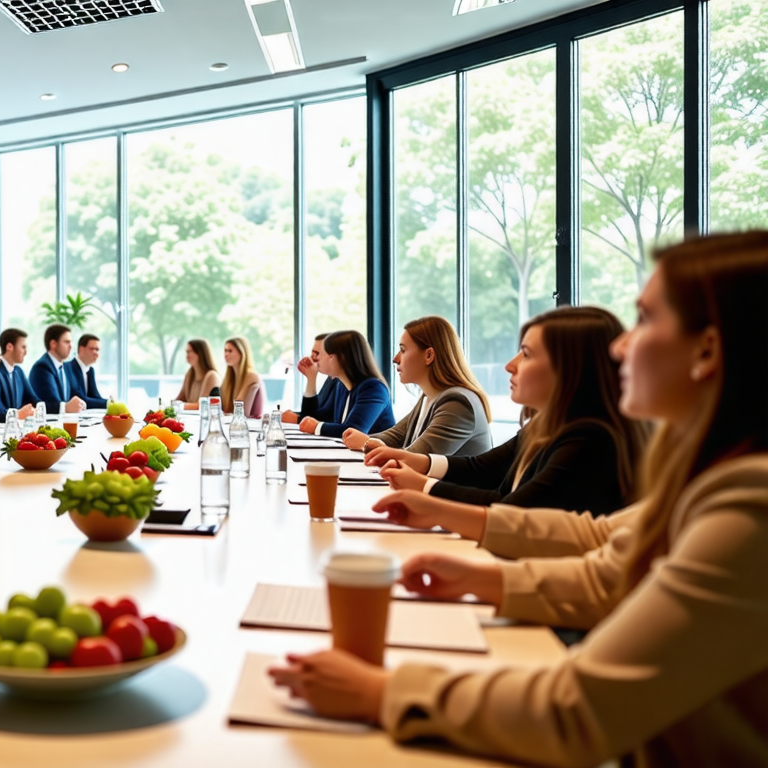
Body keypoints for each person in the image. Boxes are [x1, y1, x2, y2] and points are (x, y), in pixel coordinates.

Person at [271, 232, 768, 768]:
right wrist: (483, 576)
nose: (621, 346)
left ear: (708, 350)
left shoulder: (750, 504)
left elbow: (575, 711)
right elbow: (605, 552)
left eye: (645, 320)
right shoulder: (714, 475)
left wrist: (381, 693)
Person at [368, 307, 647, 515]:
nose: (510, 365)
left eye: (526, 353)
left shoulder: (590, 438)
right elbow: (482, 469)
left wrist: (424, 487)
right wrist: (422, 465)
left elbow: (510, 510)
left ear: (570, 369)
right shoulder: (543, 427)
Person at [341, 317, 493, 457]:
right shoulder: (429, 396)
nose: (395, 359)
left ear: (428, 355)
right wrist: (360, 440)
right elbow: (395, 436)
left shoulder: (457, 403)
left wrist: (366, 443)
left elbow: (417, 457)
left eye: (403, 350)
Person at [297, 330, 395, 437]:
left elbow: (354, 430)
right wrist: (311, 379)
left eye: (324, 353)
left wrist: (316, 427)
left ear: (341, 357)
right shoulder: (341, 386)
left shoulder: (373, 388)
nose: (316, 358)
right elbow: (316, 418)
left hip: (372, 453)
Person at [29, 323, 86, 414]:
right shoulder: (42, 367)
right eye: (66, 342)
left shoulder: (66, 367)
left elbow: (77, 395)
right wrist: (66, 407)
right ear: (53, 344)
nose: (71, 346)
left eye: (71, 342)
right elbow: (50, 403)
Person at [282, 333, 338, 423]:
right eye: (312, 353)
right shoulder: (331, 379)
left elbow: (329, 420)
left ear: (332, 356)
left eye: (316, 353)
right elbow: (312, 415)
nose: (312, 358)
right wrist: (311, 378)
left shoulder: (340, 381)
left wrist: (297, 419)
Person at [0, 327, 37, 418]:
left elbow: (32, 399)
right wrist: (17, 414)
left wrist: (39, 409)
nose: (25, 352)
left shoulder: (18, 371)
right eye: (23, 347)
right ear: (9, 347)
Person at [220, 337, 265, 419]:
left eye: (230, 351)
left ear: (242, 353)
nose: (226, 354)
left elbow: (241, 411)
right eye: (225, 351)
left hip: (250, 428)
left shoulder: (252, 376)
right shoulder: (229, 378)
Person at [64, 333, 108, 410]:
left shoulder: (90, 370)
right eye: (92, 349)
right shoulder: (68, 368)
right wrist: (109, 403)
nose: (96, 353)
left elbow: (95, 396)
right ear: (81, 349)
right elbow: (80, 399)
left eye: (97, 350)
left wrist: (112, 402)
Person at [174, 339, 221, 409]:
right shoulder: (189, 374)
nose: (187, 355)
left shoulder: (212, 376)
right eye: (187, 352)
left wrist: (177, 406)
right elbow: (180, 399)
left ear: (201, 353)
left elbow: (202, 405)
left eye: (190, 352)